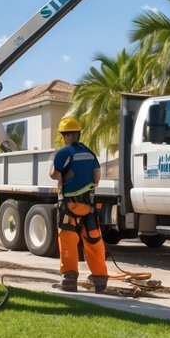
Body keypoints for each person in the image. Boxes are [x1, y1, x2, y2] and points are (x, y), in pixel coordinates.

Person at [49, 116, 108, 293]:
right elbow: (97, 176)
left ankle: (69, 280)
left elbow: (53, 173)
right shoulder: (90, 153)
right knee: (93, 241)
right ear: (79, 134)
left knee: (68, 240)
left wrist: (60, 179)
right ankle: (100, 281)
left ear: (66, 136)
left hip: (70, 206)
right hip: (89, 206)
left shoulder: (63, 153)